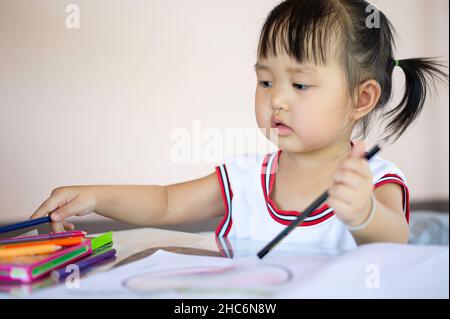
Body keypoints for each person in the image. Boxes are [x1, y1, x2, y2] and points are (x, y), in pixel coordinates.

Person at [31, 0, 448, 250]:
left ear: (362, 99)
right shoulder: (247, 178)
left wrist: (364, 215)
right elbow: (166, 202)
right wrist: (92, 196)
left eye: (300, 84)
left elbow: (396, 242)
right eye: (265, 81)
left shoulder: (375, 180)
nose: (276, 98)